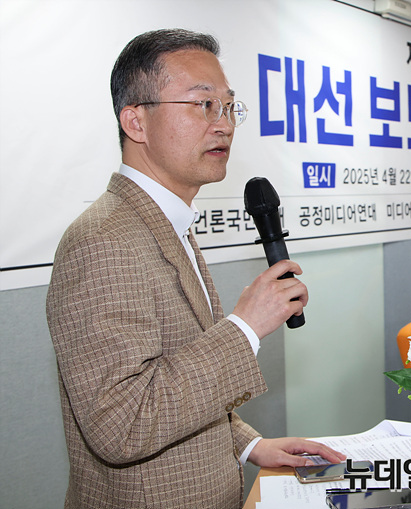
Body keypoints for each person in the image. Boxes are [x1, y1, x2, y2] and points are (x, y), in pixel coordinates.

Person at [45, 29, 344, 508]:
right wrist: (245, 327)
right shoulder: (102, 240)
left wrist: (249, 444)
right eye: (203, 105)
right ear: (136, 121)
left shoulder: (168, 223)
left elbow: (173, 378)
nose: (223, 124)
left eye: (229, 106)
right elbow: (122, 423)